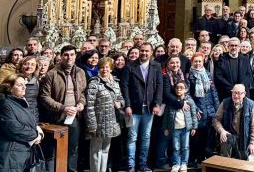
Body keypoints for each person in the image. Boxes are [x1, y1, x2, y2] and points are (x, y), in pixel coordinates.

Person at [39, 45, 86, 172]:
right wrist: (63, 108)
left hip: (74, 117)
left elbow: (82, 93)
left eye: (71, 55)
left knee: (72, 149)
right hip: (55, 116)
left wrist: (81, 103)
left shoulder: (80, 72)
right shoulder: (52, 74)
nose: (69, 57)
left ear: (75, 56)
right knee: (53, 149)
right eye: (66, 55)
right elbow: (44, 97)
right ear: (61, 56)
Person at [121, 42, 163, 172]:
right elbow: (125, 87)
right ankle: (130, 166)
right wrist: (127, 105)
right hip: (134, 108)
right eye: (142, 51)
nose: (144, 53)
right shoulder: (130, 67)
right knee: (132, 137)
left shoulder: (156, 66)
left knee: (146, 137)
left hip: (149, 108)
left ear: (151, 52)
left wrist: (157, 103)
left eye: (147, 51)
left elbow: (159, 86)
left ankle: (142, 164)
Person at [0, 74, 43, 172]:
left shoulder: (20, 103)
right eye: (20, 85)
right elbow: (14, 128)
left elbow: (28, 123)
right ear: (10, 88)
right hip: (11, 154)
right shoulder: (5, 104)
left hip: (21, 152)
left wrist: (37, 129)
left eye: (24, 84)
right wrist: (36, 135)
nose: (24, 87)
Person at [85, 57, 124, 172]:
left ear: (111, 69)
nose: (104, 69)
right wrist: (92, 125)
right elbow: (89, 106)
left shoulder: (115, 83)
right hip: (98, 122)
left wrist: (120, 103)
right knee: (96, 151)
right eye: (102, 67)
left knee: (106, 150)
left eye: (107, 67)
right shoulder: (94, 83)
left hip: (112, 121)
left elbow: (121, 98)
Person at [187, 53, 219, 164]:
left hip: (209, 109)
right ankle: (192, 158)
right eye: (195, 61)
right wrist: (195, 109)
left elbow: (213, 92)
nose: (198, 63)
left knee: (207, 136)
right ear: (192, 62)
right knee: (195, 136)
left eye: (200, 61)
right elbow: (187, 95)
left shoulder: (208, 74)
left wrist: (217, 109)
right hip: (197, 111)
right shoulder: (189, 76)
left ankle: (202, 158)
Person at [214, 84, 254, 160]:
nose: (236, 95)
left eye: (238, 93)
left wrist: (252, 142)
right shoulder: (225, 103)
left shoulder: (250, 105)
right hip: (228, 136)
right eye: (234, 92)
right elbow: (216, 119)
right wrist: (222, 131)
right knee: (225, 161)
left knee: (243, 162)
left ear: (244, 94)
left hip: (243, 137)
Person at [162, 80, 198, 172]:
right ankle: (176, 164)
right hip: (174, 129)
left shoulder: (189, 101)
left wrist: (194, 127)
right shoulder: (171, 101)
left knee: (185, 147)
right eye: (177, 88)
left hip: (185, 129)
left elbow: (194, 114)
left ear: (186, 90)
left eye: (181, 88)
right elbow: (166, 115)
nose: (179, 90)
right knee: (176, 147)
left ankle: (184, 163)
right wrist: (165, 128)